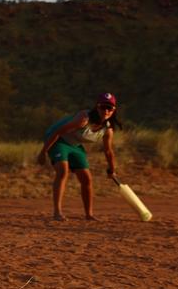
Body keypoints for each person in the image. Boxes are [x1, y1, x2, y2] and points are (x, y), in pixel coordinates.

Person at [37, 93, 120, 221]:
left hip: (75, 145)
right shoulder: (83, 119)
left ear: (114, 110)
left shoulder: (107, 129)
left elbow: (108, 151)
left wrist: (112, 169)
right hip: (58, 140)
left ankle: (89, 214)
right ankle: (57, 213)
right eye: (103, 107)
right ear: (97, 107)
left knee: (87, 179)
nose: (106, 111)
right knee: (63, 171)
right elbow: (58, 132)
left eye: (110, 108)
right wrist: (43, 152)